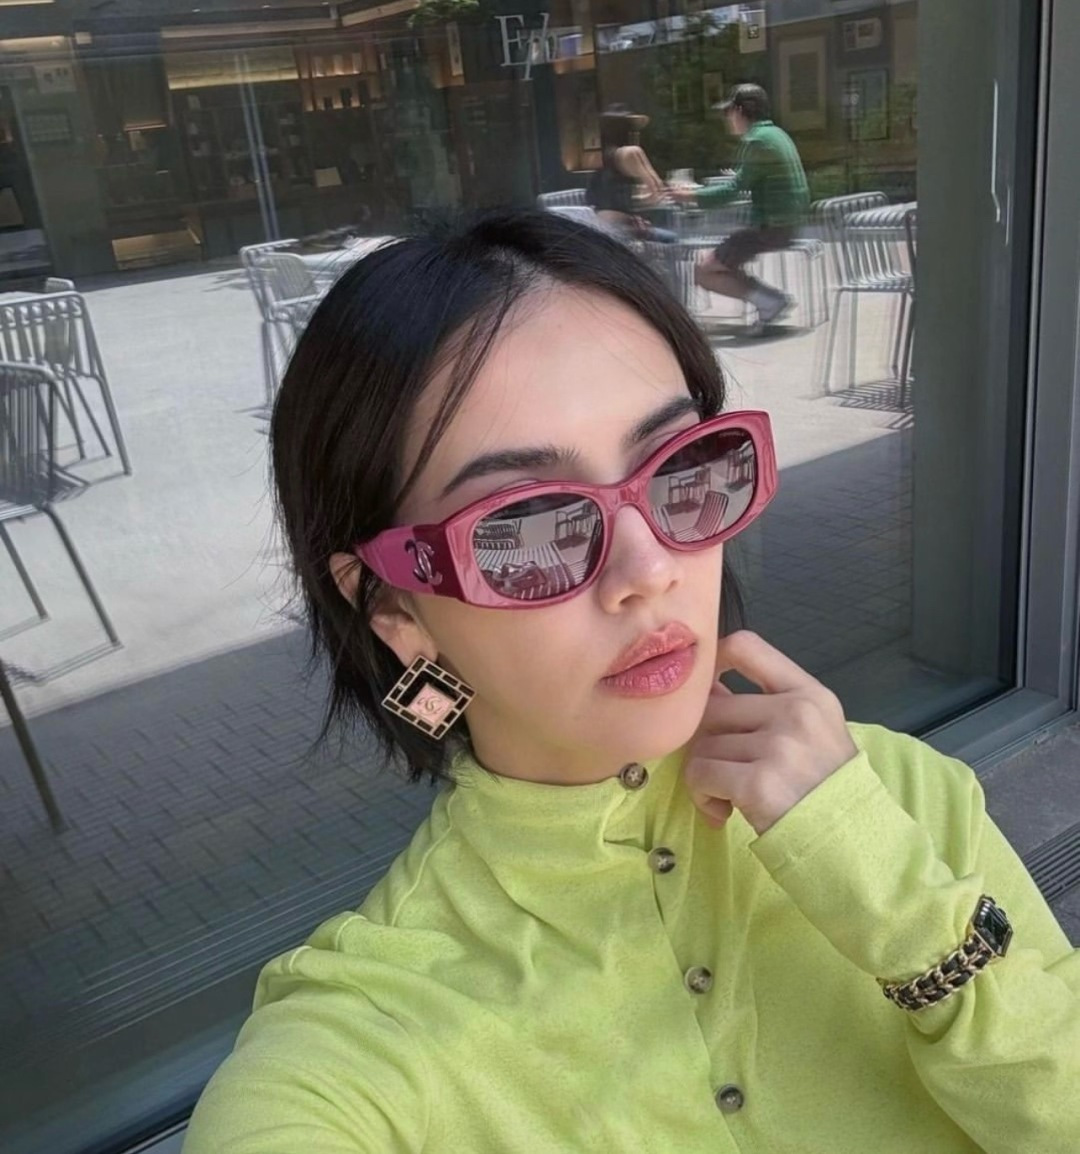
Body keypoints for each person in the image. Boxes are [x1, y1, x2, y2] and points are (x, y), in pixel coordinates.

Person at [183, 209, 1079, 1153]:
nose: (650, 570)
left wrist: (901, 909)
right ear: (393, 607)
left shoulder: (899, 796)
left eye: (680, 467)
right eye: (527, 527)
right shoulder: (363, 1042)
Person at [674, 83, 810, 332]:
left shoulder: (757, 141)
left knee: (703, 271)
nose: (727, 119)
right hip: (785, 222)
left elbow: (732, 190)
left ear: (739, 110)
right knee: (719, 262)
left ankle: (770, 302)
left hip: (772, 227)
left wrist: (689, 195)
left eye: (728, 112)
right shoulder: (775, 134)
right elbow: (744, 181)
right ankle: (769, 299)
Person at [586, 103, 677, 243]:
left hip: (600, 225)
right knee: (674, 238)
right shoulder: (630, 152)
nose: (636, 132)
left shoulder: (599, 155)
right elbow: (657, 190)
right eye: (632, 127)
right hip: (622, 230)